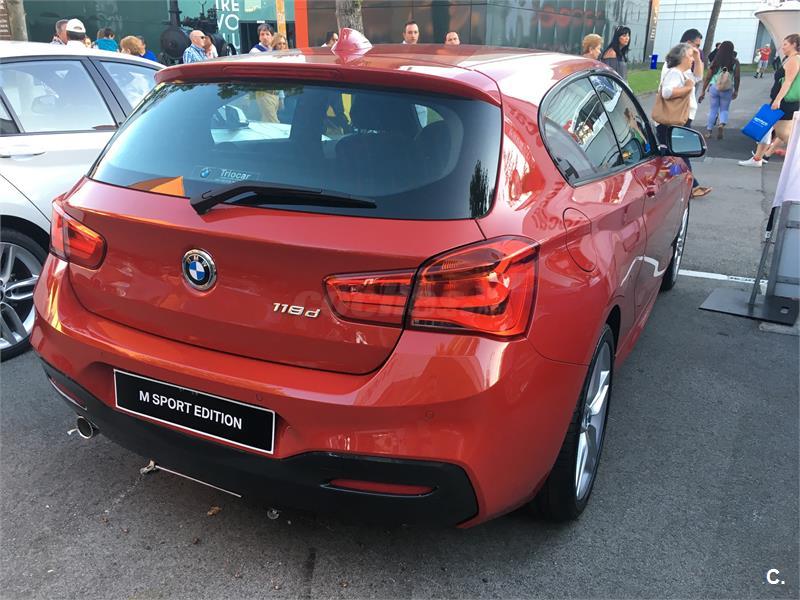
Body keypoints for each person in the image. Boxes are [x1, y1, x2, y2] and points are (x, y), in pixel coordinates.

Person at [656, 43, 713, 198]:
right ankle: (691, 186)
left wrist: (698, 58)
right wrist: (687, 88)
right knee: (679, 152)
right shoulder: (675, 73)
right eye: (689, 56)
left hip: (678, 118)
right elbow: (667, 92)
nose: (692, 59)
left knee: (675, 153)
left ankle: (685, 185)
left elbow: (698, 77)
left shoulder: (683, 72)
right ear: (681, 57)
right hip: (673, 119)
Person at [740, 34, 800, 167]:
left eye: (785, 44)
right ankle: (757, 158)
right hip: (781, 100)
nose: (782, 47)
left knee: (783, 134)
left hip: (784, 102)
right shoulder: (789, 59)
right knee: (766, 129)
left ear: (794, 45)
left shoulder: (794, 60)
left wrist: (777, 100)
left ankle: (793, 158)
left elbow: (788, 82)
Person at [699, 40, 740, 139]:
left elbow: (708, 77)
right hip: (727, 88)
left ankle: (709, 131)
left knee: (713, 109)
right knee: (724, 109)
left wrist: (703, 90)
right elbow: (737, 77)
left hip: (714, 87)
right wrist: (736, 90)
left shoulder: (716, 61)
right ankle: (721, 123)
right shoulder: (735, 62)